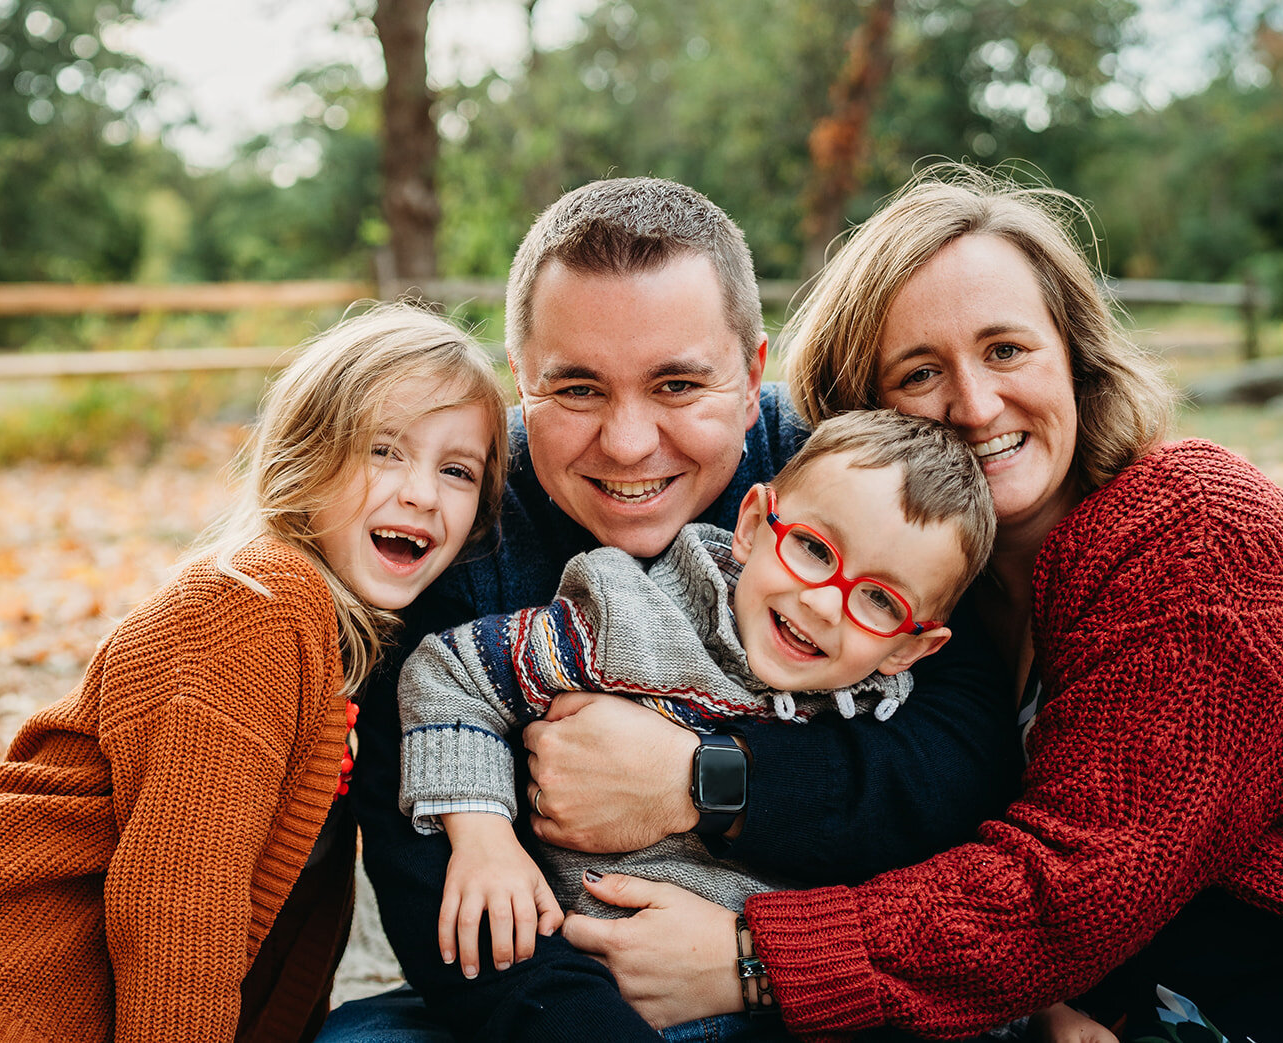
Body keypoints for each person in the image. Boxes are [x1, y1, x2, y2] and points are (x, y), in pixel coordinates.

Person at [551, 165, 1283, 1043]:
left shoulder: (1197, 527)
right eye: (919, 373)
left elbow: (1084, 879)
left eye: (1007, 349)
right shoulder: (914, 607)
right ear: (867, 417)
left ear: (1075, 354)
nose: (977, 404)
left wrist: (751, 956)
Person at [324, 177, 1022, 1042]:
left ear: (754, 369)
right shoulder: (460, 515)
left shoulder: (846, 481)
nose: (627, 442)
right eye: (576, 389)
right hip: (571, 991)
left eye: (678, 386)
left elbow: (959, 762)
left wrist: (702, 783)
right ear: (522, 381)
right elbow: (432, 876)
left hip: (800, 972)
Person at [0, 303, 509, 1043]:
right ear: (305, 458)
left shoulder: (353, 655)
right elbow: (179, 900)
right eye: (384, 451)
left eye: (456, 470)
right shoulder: (259, 604)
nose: (422, 492)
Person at [404, 409, 991, 993]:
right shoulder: (625, 622)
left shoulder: (884, 725)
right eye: (814, 549)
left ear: (911, 649)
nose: (823, 604)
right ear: (756, 523)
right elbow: (452, 672)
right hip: (587, 985)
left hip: (772, 999)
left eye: (880, 601)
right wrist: (483, 837)